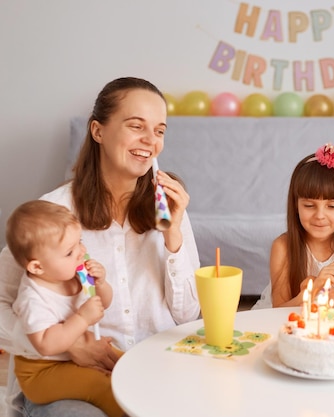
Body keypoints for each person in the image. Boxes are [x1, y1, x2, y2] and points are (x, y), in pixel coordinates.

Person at [0, 77, 200, 417]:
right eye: (136, 126)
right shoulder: (54, 213)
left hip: (156, 371)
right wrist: (68, 346)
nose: (150, 141)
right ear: (98, 131)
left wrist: (173, 235)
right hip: (72, 379)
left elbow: (187, 314)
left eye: (159, 131)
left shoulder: (166, 212)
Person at [6, 200, 124, 417]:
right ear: (37, 267)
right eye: (70, 252)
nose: (81, 252)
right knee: (104, 386)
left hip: (70, 359)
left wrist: (101, 284)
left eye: (79, 242)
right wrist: (82, 318)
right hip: (42, 371)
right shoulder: (33, 298)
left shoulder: (71, 274)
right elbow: (46, 345)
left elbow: (103, 304)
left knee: (127, 365)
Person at [253, 143, 334, 309]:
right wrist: (314, 289)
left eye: (332, 206)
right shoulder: (283, 247)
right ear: (296, 206)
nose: (320, 215)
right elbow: (278, 310)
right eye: (309, 205)